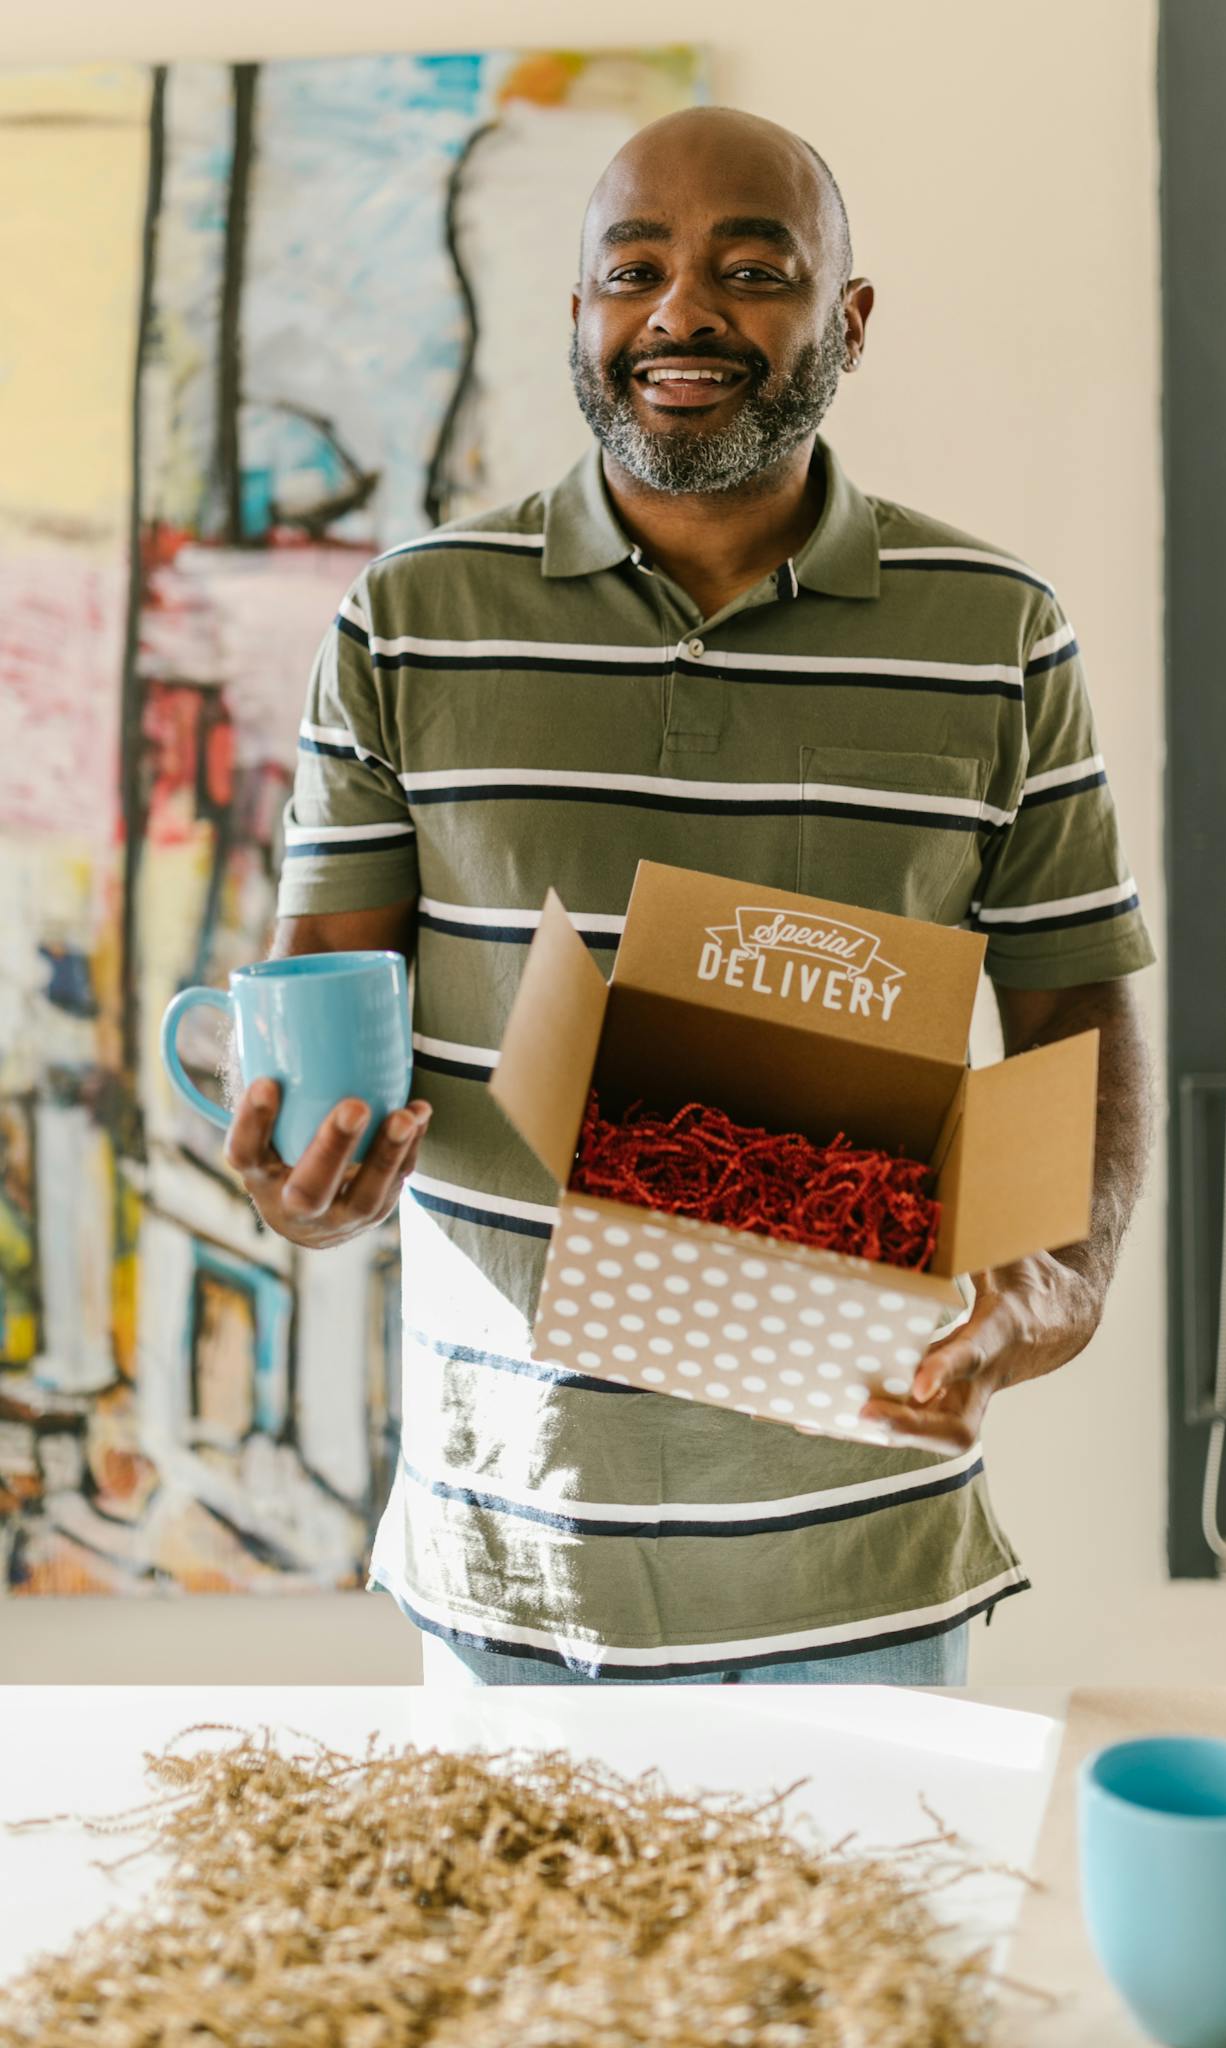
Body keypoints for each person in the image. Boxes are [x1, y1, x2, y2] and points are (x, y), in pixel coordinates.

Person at [224, 106, 1154, 1686]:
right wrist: (298, 1172)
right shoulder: (409, 621)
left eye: (752, 267)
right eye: (632, 268)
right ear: (577, 318)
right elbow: (324, 994)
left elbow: (1070, 1000)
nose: (681, 311)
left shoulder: (997, 632)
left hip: (863, 1558)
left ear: (848, 321)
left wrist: (1061, 1281)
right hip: (508, 1558)